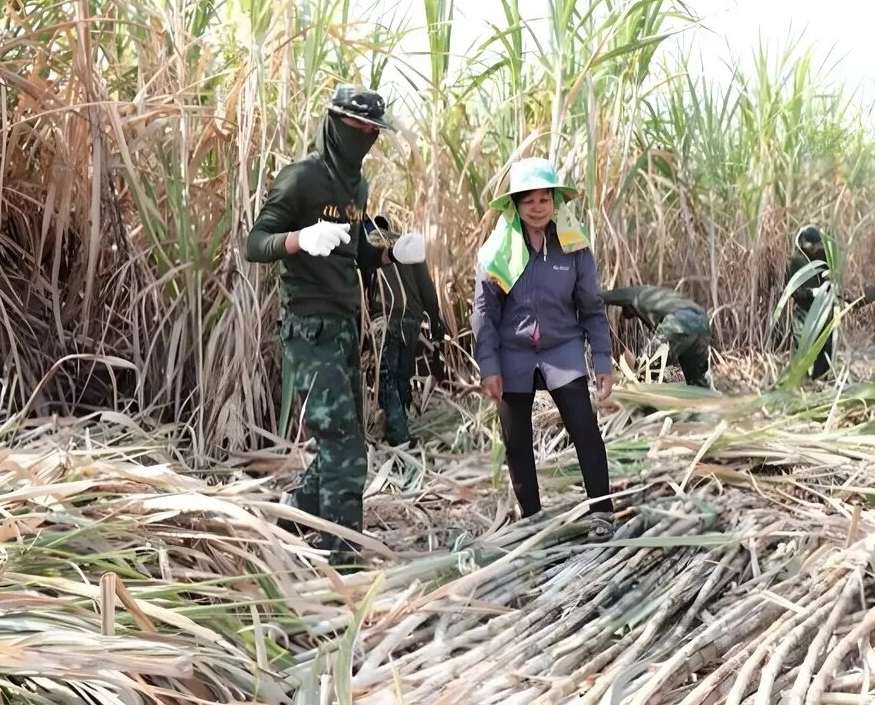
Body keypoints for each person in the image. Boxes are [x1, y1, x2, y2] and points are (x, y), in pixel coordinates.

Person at [245, 83, 426, 566]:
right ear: (334, 123)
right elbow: (255, 242)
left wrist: (390, 252)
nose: (365, 137)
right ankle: (341, 557)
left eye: (374, 131)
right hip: (310, 326)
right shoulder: (302, 178)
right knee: (345, 445)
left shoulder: (357, 186)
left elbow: (355, 251)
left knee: (336, 441)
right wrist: (300, 239)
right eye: (357, 128)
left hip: (346, 326)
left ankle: (292, 515)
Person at [470, 157, 617, 540]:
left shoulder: (574, 245)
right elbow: (484, 313)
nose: (537, 207)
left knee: (585, 429)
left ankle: (602, 512)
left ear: (555, 203)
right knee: (516, 442)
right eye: (528, 200)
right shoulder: (497, 252)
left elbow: (592, 306)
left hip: (562, 347)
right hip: (512, 352)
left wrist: (602, 358)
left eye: (544, 199)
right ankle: (532, 520)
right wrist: (489, 366)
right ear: (515, 206)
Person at [363, 214, 449, 447]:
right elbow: (426, 285)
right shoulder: (404, 242)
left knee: (387, 378)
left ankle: (399, 437)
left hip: (385, 318)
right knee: (402, 374)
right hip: (411, 318)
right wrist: (434, 318)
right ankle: (401, 424)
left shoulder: (365, 245)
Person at [602, 285, 712, 387]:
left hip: (678, 322)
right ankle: (706, 400)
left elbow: (605, 296)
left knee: (647, 370)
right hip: (702, 323)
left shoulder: (634, 293)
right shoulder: (656, 299)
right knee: (696, 378)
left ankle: (639, 399)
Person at [785, 224, 835, 379]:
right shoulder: (796, 261)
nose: (814, 249)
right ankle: (801, 380)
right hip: (803, 311)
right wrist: (812, 293)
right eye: (811, 246)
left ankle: (820, 378)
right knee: (803, 345)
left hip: (822, 309)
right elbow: (795, 291)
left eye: (816, 246)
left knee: (825, 342)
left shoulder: (820, 256)